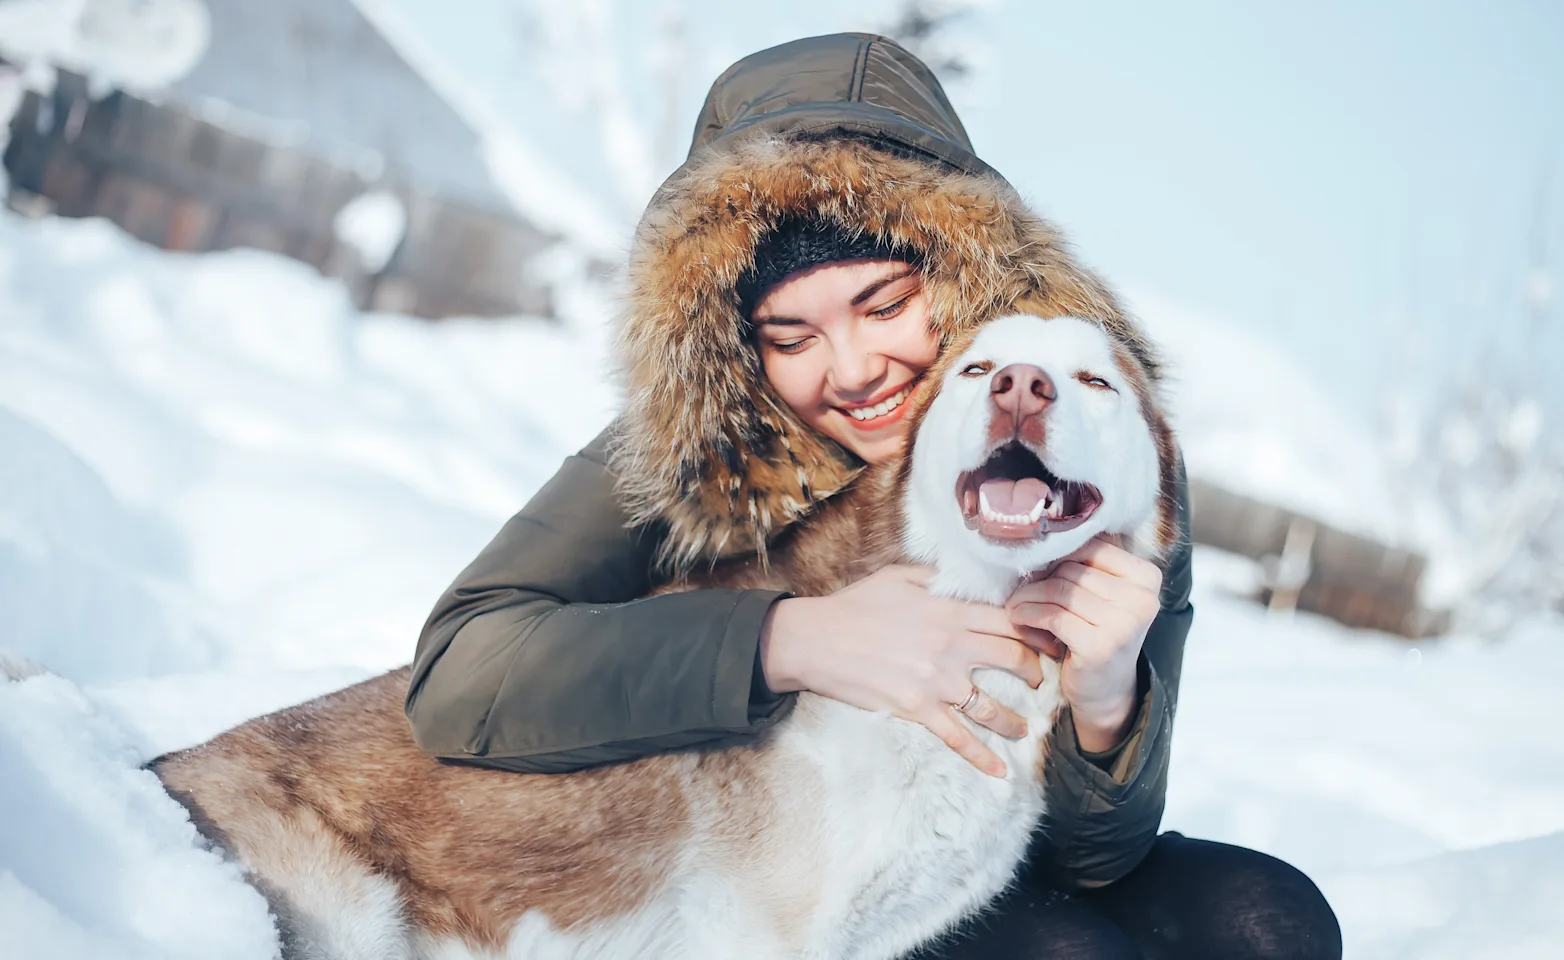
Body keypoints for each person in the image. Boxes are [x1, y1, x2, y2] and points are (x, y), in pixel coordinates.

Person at [407, 33, 1342, 960]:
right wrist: (789, 640)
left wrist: (1108, 704)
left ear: (965, 272)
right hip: (764, 864)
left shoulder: (1098, 449)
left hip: (985, 852)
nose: (853, 371)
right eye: (789, 335)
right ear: (739, 347)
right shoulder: (702, 440)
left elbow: (1093, 857)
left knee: (1267, 920)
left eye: (887, 305)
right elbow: (461, 668)